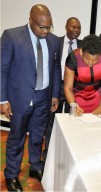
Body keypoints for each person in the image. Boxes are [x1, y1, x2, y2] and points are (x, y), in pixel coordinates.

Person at [0, 4, 61, 191]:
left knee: (37, 135)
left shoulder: (53, 40)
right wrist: (3, 100)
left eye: (49, 27)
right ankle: (11, 174)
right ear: (30, 21)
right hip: (20, 98)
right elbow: (2, 69)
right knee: (16, 138)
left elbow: (56, 67)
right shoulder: (11, 36)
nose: (45, 31)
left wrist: (55, 94)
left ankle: (35, 166)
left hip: (44, 96)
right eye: (41, 27)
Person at [44, 17, 82, 160]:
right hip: (56, 86)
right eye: (73, 27)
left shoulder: (83, 45)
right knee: (52, 121)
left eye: (78, 28)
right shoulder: (56, 42)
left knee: (73, 120)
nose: (76, 30)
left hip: (75, 88)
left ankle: (70, 153)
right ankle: (49, 153)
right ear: (66, 26)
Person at [64, 34, 101, 115]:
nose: (90, 63)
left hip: (98, 98)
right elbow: (68, 87)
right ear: (82, 52)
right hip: (76, 98)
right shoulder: (73, 58)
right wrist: (74, 106)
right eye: (87, 59)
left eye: (95, 60)